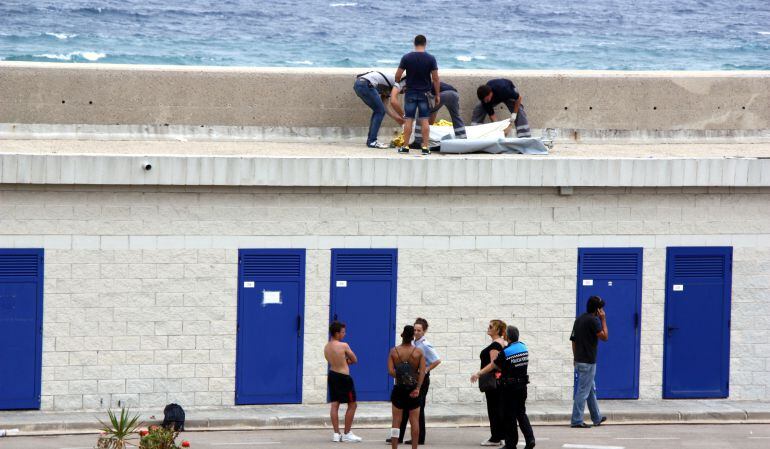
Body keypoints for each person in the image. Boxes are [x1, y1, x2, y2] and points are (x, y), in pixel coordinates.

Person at [471, 326, 535, 449]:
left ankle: (511, 444)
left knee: (509, 416)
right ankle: (530, 439)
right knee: (521, 413)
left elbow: (493, 365)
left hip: (509, 387)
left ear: (508, 337)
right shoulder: (523, 347)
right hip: (522, 386)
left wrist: (478, 373)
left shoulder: (506, 352)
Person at [395, 318, 441, 445]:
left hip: (422, 379)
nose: (416, 332)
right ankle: (398, 436)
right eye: (415, 330)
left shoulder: (425, 345)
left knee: (418, 408)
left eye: (419, 330)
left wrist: (425, 369)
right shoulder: (414, 342)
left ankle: (420, 438)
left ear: (424, 331)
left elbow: (437, 360)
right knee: (405, 407)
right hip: (411, 377)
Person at [394, 34, 440, 156]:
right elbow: (435, 78)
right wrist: (437, 95)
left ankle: (405, 146)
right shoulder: (431, 58)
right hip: (425, 93)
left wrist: (398, 84)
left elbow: (398, 75)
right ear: (425, 44)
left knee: (408, 119)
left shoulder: (407, 57)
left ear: (414, 43)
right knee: (424, 120)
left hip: (410, 93)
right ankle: (425, 147)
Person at [570, 296, 609, 428]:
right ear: (597, 309)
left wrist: (575, 358)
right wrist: (603, 319)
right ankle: (576, 420)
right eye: (601, 308)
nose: (602, 310)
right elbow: (605, 337)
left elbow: (573, 341)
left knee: (590, 390)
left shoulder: (579, 319)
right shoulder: (594, 320)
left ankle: (596, 418)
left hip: (580, 361)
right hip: (588, 362)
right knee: (583, 392)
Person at [388, 325, 426, 449]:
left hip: (398, 389)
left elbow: (390, 371)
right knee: (414, 421)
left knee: (396, 421)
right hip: (413, 390)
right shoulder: (419, 352)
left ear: (402, 335)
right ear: (412, 337)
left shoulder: (394, 351)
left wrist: (401, 377)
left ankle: (394, 447)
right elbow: (422, 373)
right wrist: (418, 388)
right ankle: (414, 447)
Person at [324, 321, 363, 442]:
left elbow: (332, 360)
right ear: (336, 333)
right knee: (352, 404)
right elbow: (355, 359)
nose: (344, 334)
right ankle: (346, 433)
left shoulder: (327, 346)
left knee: (335, 404)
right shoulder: (344, 345)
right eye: (343, 332)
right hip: (344, 378)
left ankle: (336, 434)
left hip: (332, 375)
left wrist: (342, 361)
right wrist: (346, 362)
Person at [354, 70, 406, 149]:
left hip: (360, 84)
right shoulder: (396, 82)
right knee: (379, 111)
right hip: (365, 84)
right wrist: (404, 117)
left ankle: (371, 140)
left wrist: (398, 119)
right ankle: (372, 141)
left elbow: (385, 106)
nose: (403, 92)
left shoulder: (389, 87)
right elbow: (393, 102)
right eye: (404, 90)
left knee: (379, 110)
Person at [411, 81, 467, 149]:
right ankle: (462, 138)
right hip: (454, 94)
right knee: (456, 116)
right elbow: (434, 110)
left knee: (420, 114)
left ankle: (417, 142)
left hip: (442, 94)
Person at [478, 320, 507, 446]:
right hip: (498, 381)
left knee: (493, 408)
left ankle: (495, 438)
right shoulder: (502, 343)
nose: (488, 328)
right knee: (498, 408)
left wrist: (478, 373)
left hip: (493, 381)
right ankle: (499, 436)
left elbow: (494, 364)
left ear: (497, 330)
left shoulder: (496, 345)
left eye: (491, 326)